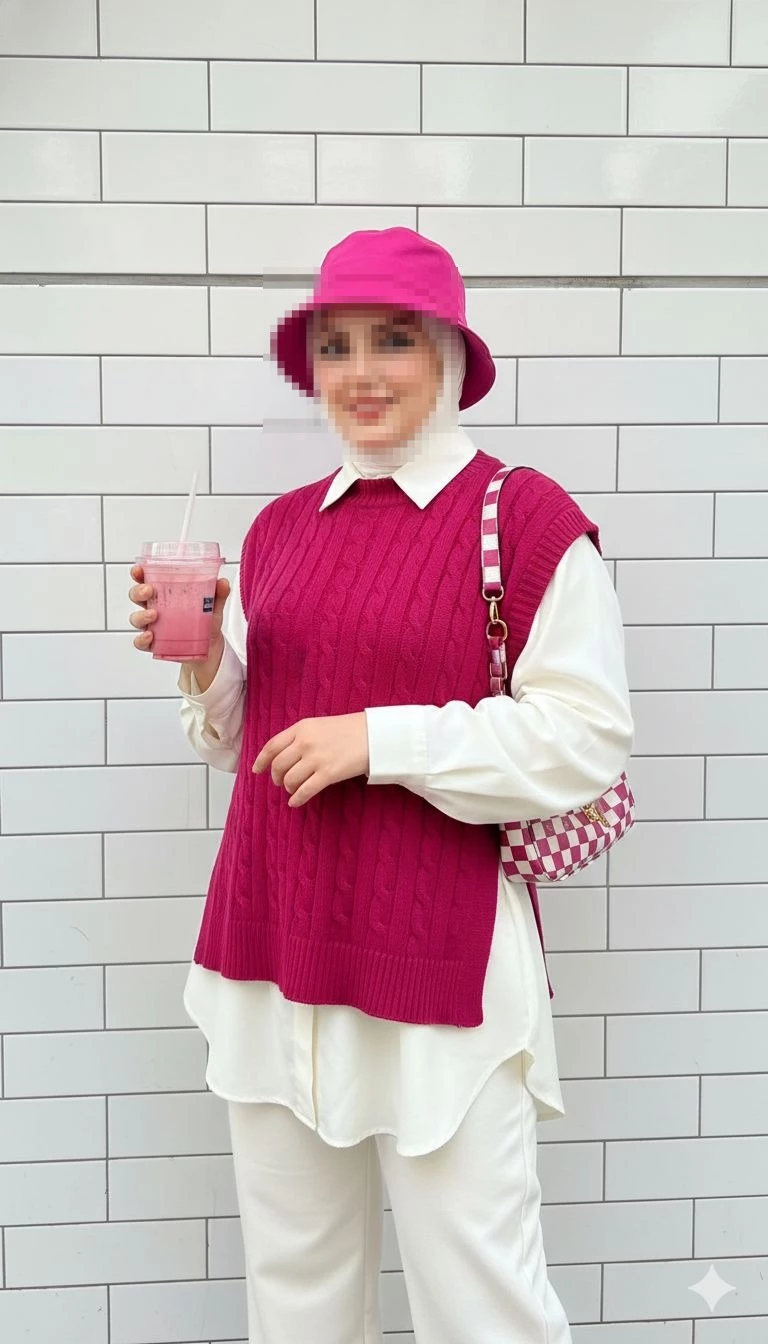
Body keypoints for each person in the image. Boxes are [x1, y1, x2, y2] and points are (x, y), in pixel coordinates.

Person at [128, 226, 634, 1344]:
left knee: (483, 1301)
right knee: (298, 1294)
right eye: (336, 345)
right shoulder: (278, 530)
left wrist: (382, 739)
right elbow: (244, 743)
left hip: (437, 961)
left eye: (392, 341)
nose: (359, 374)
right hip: (273, 945)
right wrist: (207, 663)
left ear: (448, 352)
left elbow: (585, 735)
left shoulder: (525, 516)